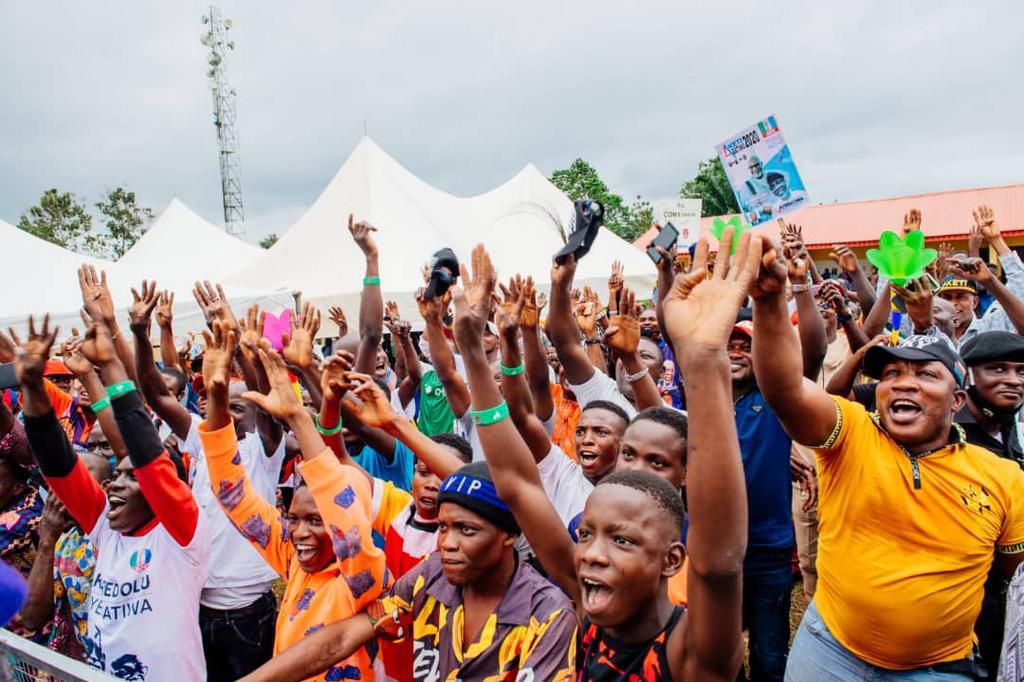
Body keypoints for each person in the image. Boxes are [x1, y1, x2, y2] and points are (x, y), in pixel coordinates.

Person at [451, 239, 749, 680]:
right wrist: (473, 352)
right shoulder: (589, 607)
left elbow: (719, 565)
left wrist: (705, 363)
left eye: (622, 540)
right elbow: (516, 483)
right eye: (586, 534)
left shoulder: (692, 654)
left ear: (672, 560)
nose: (591, 553)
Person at [749, 240, 1024, 678]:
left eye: (925, 374)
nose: (903, 383)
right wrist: (767, 303)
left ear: (957, 400)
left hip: (939, 668)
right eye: (892, 373)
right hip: (828, 652)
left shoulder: (1005, 477)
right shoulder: (853, 433)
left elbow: (1010, 578)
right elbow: (786, 391)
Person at [238, 461, 578, 681]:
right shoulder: (432, 575)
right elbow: (342, 638)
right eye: (443, 528)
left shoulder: (548, 616)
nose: (447, 543)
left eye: (467, 530)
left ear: (509, 534)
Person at [16, 314, 210, 680]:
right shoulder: (105, 529)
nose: (115, 486)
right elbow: (58, 465)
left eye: (131, 478)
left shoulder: (181, 535)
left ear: (162, 492)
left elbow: (150, 458)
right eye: (116, 475)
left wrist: (109, 365)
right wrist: (33, 388)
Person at [199, 323, 388, 681]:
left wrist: (299, 418)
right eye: (295, 518)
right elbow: (233, 495)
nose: (299, 532)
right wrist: (217, 398)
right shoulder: (293, 559)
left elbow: (341, 509)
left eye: (316, 520)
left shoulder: (362, 574)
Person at [133, 279, 285, 680]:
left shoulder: (264, 450)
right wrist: (140, 334)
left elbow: (267, 401)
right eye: (221, 404)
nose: (226, 412)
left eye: (238, 408)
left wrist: (235, 337)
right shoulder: (201, 440)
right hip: (197, 600)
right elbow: (155, 393)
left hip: (247, 611)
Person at [958, 331, 1024, 678]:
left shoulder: (1010, 425)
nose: (1013, 380)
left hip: (1008, 596)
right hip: (965, 603)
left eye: (1021, 371)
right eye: (998, 369)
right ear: (967, 376)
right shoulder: (948, 437)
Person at [20, 455, 111, 659]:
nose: (66, 488)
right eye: (60, 482)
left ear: (106, 488)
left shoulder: (119, 536)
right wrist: (47, 539)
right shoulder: (65, 541)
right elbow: (31, 618)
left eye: (78, 478)